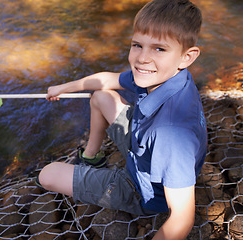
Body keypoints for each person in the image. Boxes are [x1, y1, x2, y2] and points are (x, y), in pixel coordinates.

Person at [38, 0, 207, 239]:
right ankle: (91, 157)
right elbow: (109, 80)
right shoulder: (166, 75)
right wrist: (64, 87)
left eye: (159, 49)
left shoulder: (170, 135)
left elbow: (182, 218)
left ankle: (118, 186)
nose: (142, 58)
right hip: (144, 144)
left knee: (48, 175)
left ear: (187, 57)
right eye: (137, 45)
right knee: (101, 97)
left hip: (141, 189)